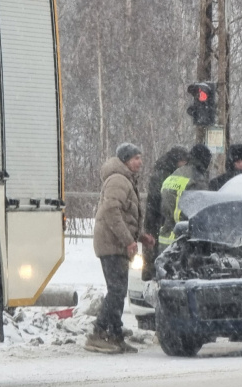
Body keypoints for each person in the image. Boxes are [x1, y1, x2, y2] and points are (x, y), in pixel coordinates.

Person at [85, 143, 155, 354]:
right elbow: (111, 212)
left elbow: (124, 215)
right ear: (125, 160)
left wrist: (139, 236)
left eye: (140, 157)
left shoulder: (125, 180)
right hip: (112, 244)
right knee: (116, 291)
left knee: (118, 290)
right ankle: (98, 334)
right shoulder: (118, 180)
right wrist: (128, 241)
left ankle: (114, 335)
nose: (140, 162)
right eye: (136, 158)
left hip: (116, 243)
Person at [142, 146, 188, 280]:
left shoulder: (162, 173)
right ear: (177, 161)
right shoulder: (168, 176)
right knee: (158, 254)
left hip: (156, 219)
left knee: (154, 254)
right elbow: (159, 200)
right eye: (183, 161)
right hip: (160, 220)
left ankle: (152, 276)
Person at [157, 143, 212, 250]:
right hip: (183, 238)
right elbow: (200, 210)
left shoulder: (176, 174)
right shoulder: (197, 179)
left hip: (165, 236)